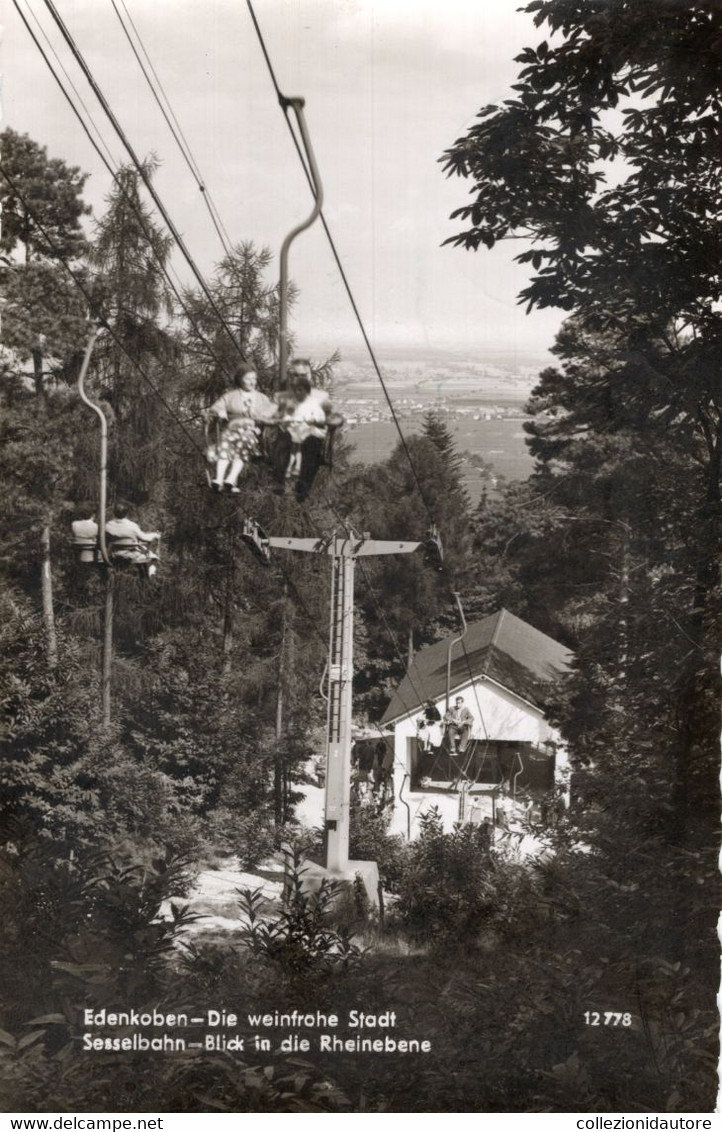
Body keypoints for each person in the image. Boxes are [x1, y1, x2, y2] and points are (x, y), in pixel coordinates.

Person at [273, 358, 343, 501]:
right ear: (290, 377)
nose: (299, 379)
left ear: (310, 377)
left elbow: (334, 414)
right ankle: (280, 483)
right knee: (284, 440)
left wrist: (333, 421)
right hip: (288, 436)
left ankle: (303, 487)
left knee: (311, 443)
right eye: (295, 375)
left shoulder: (320, 397)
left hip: (310, 435)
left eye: (303, 375)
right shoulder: (281, 397)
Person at [206, 365, 276, 492]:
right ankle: (219, 479)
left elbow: (273, 412)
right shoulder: (230, 396)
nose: (252, 382)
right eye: (248, 378)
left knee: (243, 445)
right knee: (224, 446)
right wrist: (220, 412)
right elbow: (215, 408)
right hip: (232, 429)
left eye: (254, 378)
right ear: (240, 379)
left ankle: (231, 479)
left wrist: (264, 419)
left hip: (249, 431)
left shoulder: (262, 399)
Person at [105, 503, 161, 577]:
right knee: (154, 558)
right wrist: (155, 535)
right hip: (131, 555)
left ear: (114, 512)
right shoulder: (132, 526)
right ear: (127, 513)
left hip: (115, 554)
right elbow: (145, 538)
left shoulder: (108, 525)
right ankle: (148, 575)